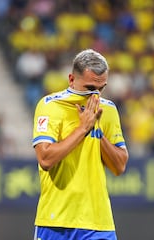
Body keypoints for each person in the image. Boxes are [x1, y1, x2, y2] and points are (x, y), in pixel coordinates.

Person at [31, 49, 129, 240]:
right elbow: (45, 158)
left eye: (101, 89)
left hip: (98, 222)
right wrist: (83, 128)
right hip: (56, 221)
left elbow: (119, 165)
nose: (95, 95)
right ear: (71, 79)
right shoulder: (50, 106)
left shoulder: (107, 110)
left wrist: (97, 132)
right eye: (90, 87)